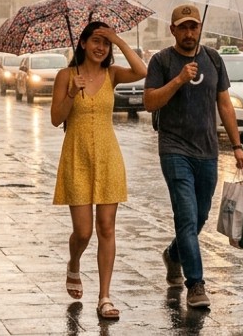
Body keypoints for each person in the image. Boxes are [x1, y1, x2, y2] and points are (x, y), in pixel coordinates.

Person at [144, 4, 243, 310]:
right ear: (172, 30)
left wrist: (238, 146)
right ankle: (196, 284)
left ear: (200, 28)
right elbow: (150, 102)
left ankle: (174, 254)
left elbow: (225, 104)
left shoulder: (214, 59)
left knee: (200, 216)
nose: (189, 33)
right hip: (174, 149)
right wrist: (178, 80)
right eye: (183, 27)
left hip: (208, 151)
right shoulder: (161, 60)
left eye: (194, 27)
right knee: (186, 216)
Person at [50, 22, 146, 320]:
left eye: (105, 43)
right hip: (77, 156)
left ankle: (104, 297)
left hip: (107, 156)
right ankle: (74, 263)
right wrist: (71, 93)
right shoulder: (66, 76)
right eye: (96, 40)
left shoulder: (112, 74)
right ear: (82, 43)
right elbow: (56, 119)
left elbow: (142, 71)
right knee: (83, 231)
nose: (101, 47)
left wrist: (117, 38)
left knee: (106, 227)